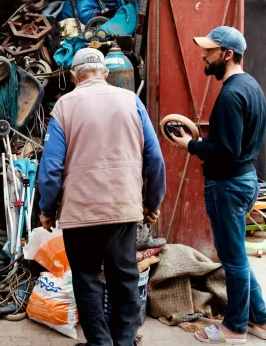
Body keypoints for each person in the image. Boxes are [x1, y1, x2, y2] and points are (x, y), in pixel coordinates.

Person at [38, 48, 166, 346]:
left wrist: (47, 209)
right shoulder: (131, 101)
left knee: (86, 281)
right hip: (123, 208)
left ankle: (99, 343)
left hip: (79, 213)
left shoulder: (63, 107)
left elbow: (51, 168)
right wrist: (152, 203)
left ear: (73, 76)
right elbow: (155, 159)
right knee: (125, 279)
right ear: (105, 73)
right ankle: (123, 342)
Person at [171, 26, 266, 344]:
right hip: (245, 178)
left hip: (228, 184)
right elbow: (235, 145)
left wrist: (190, 145)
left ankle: (235, 327)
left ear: (227, 54)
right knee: (238, 254)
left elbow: (226, 151)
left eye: (209, 50)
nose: (203, 55)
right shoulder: (251, 86)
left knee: (233, 259)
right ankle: (261, 319)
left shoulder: (230, 94)